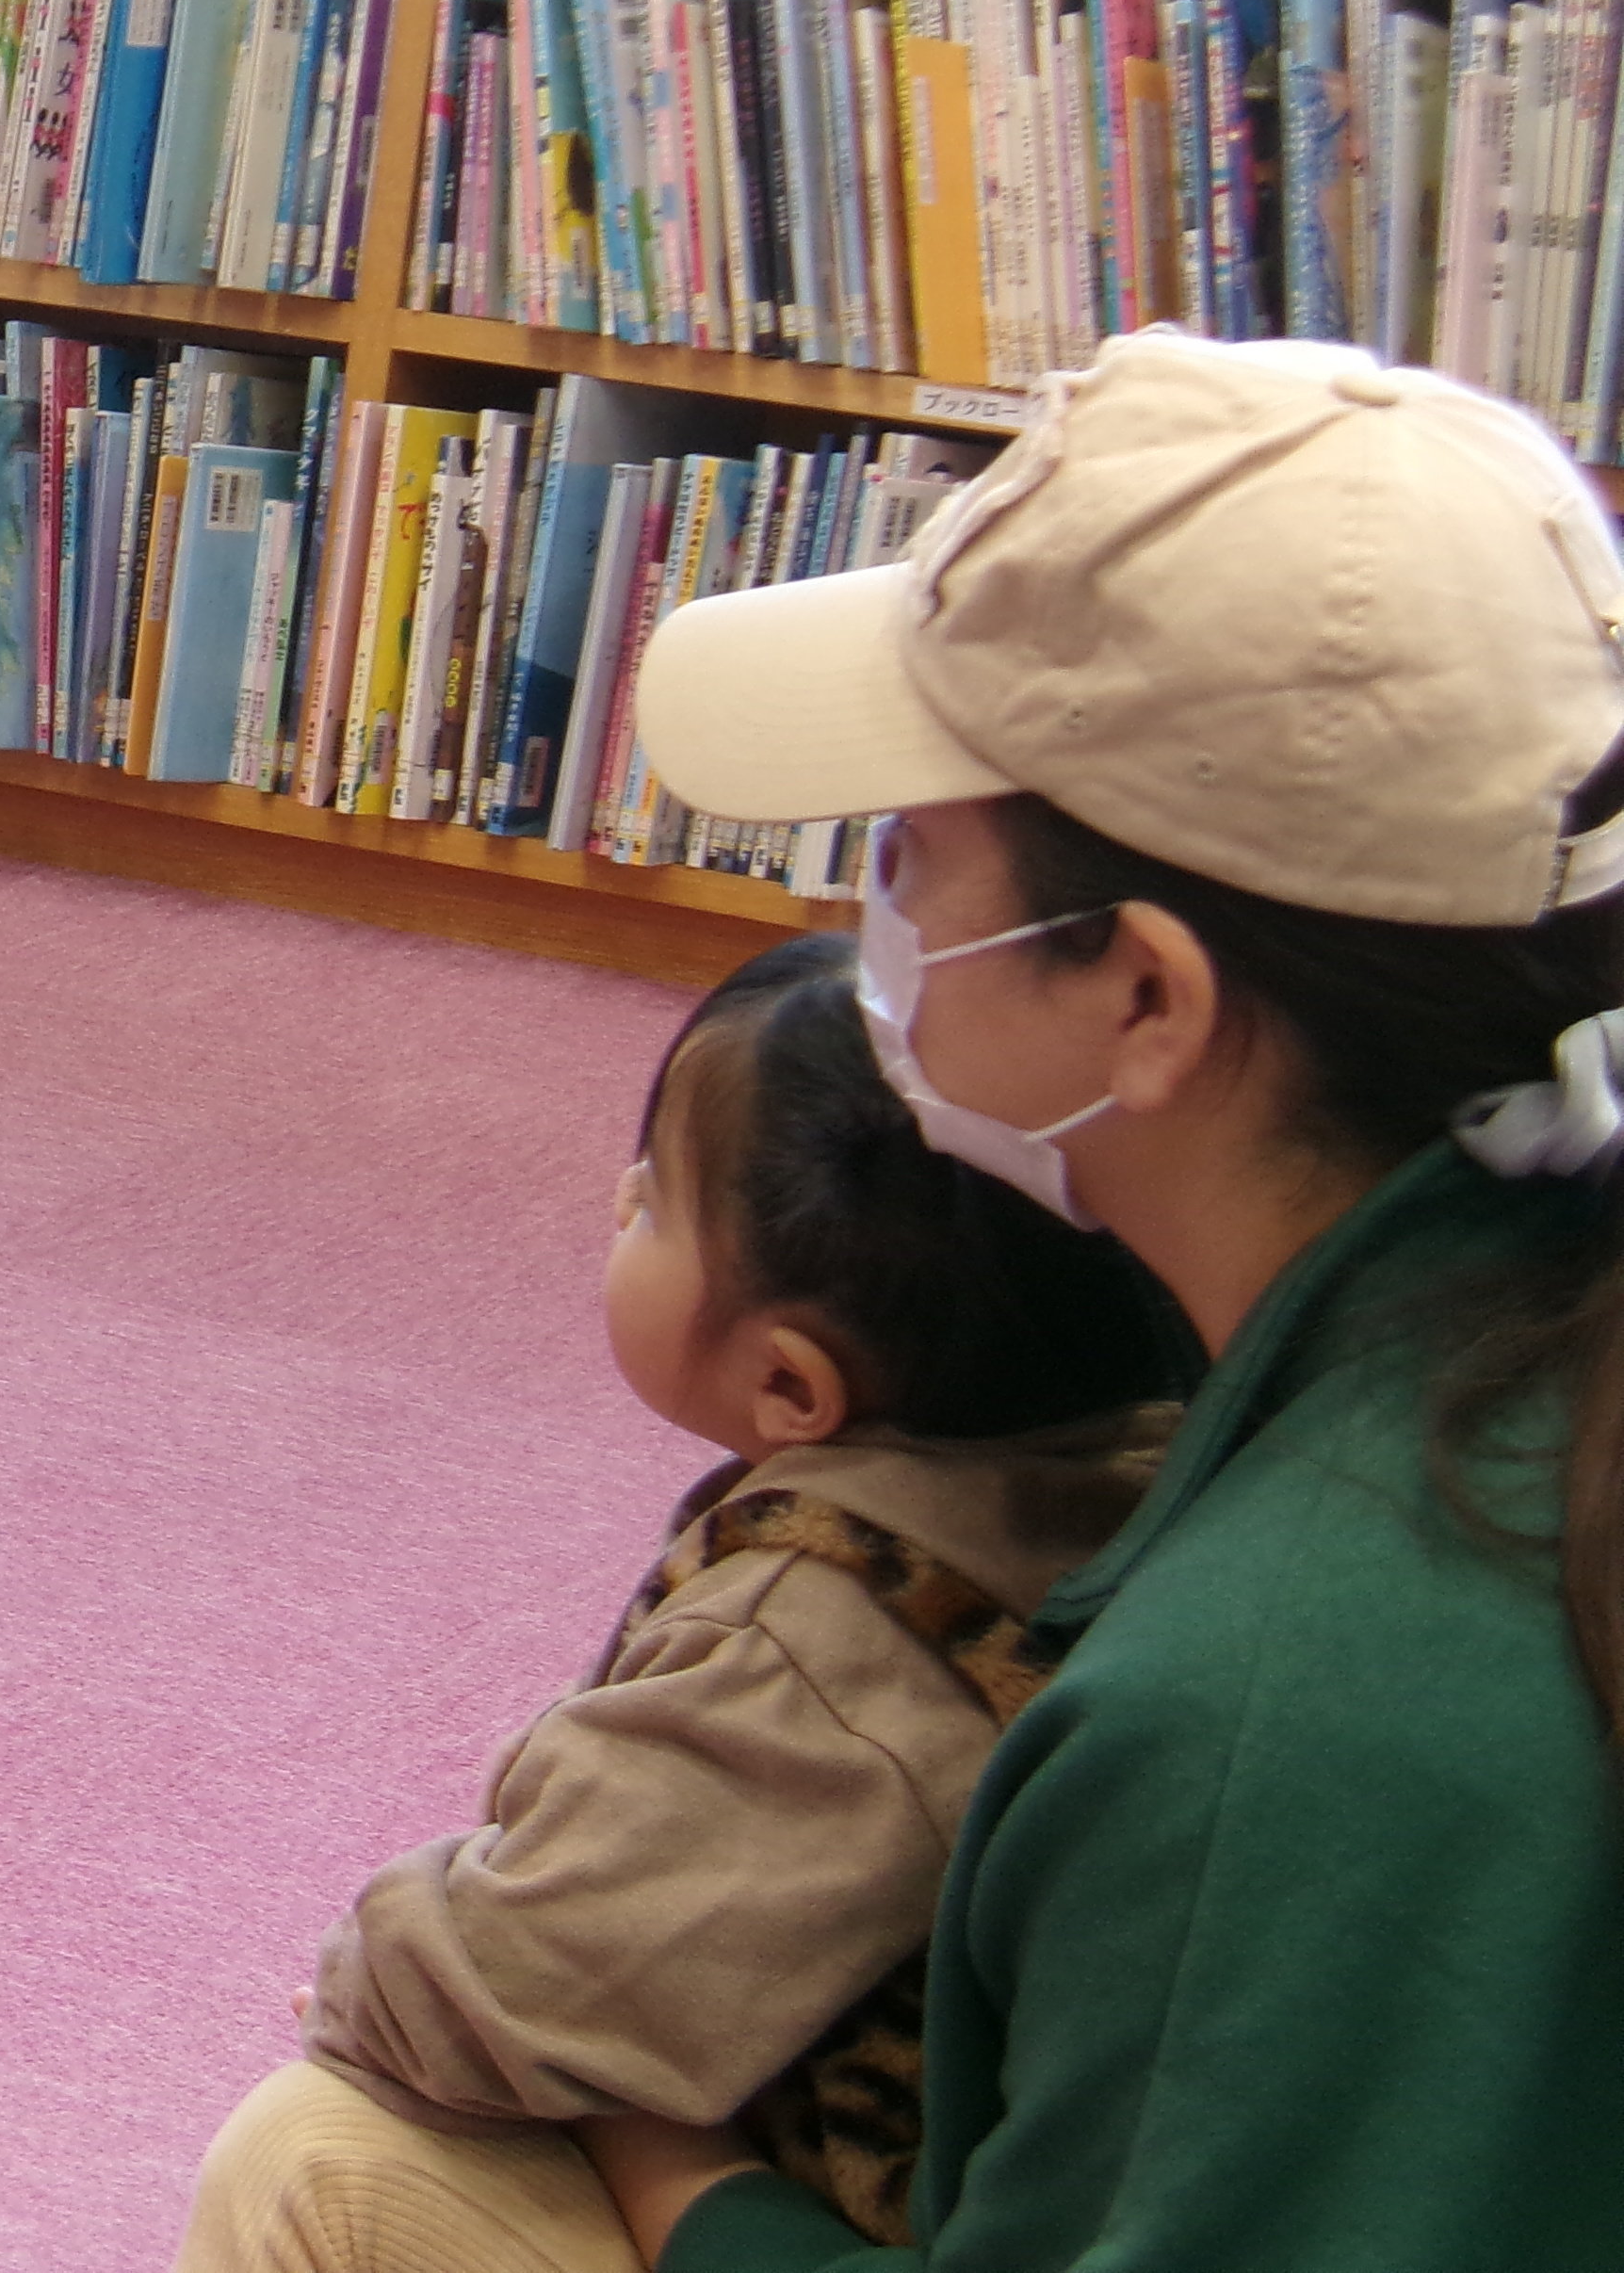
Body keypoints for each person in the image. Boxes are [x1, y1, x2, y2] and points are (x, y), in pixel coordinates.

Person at [196, 328, 1624, 2268]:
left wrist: (676, 2165)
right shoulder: (1512, 1288)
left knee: (324, 2162)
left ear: (1146, 996)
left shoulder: (1271, 1712)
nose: (872, 921)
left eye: (911, 855)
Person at [191, 936, 1177, 2270]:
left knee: (308, 2153)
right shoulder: (1132, 1461)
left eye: (654, 1200)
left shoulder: (824, 1635)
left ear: (790, 1387)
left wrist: (382, 1980)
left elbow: (518, 1989)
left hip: (844, 2205)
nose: (618, 1201)